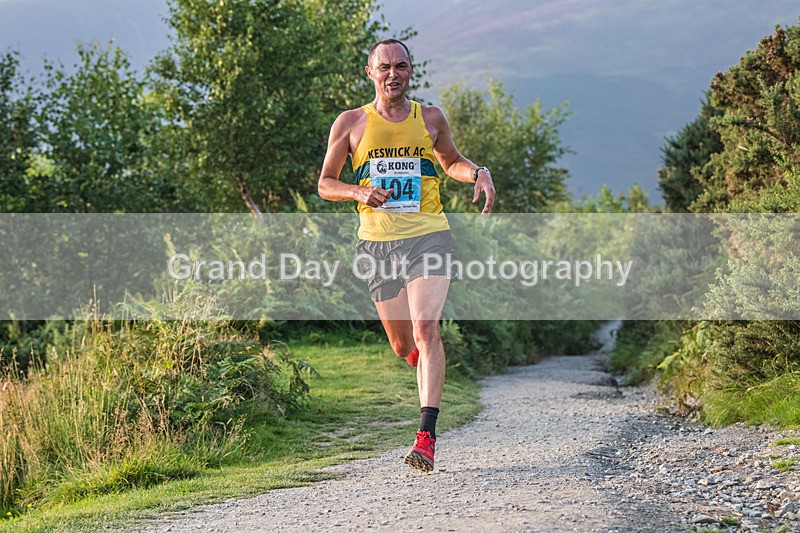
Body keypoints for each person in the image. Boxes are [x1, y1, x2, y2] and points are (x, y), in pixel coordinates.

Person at [317, 38, 495, 473]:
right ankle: (420, 361)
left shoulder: (429, 117)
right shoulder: (351, 122)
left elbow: (450, 161)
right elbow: (325, 182)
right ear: (370, 72)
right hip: (376, 243)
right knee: (402, 344)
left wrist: (478, 171)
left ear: (410, 71)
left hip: (429, 236)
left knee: (426, 327)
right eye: (384, 67)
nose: (392, 74)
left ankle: (426, 437)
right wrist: (359, 190)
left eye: (400, 66)